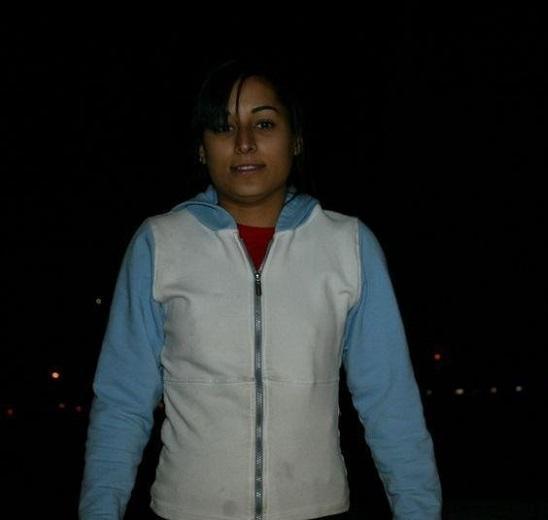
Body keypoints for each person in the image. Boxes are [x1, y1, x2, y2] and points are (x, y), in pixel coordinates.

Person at [78, 58, 442, 520]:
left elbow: (390, 400)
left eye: (264, 123)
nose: (245, 142)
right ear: (201, 149)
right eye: (223, 127)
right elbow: (122, 401)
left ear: (297, 140)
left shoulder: (348, 244)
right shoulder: (159, 243)